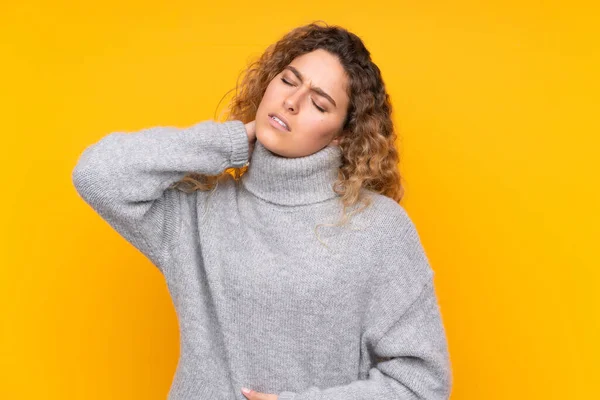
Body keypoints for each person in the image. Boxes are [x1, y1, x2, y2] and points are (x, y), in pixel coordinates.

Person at [72, 21, 452, 400]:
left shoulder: (378, 229)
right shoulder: (199, 212)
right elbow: (97, 174)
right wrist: (232, 138)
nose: (292, 102)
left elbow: (422, 385)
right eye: (288, 81)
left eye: (320, 103)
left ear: (341, 134)